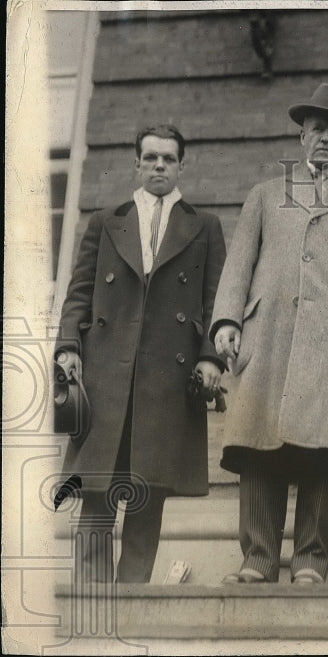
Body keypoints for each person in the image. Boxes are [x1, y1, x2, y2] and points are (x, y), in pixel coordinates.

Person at [211, 83, 328, 584]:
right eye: (317, 129)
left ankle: (311, 560)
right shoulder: (266, 195)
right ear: (302, 136)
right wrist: (229, 321)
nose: (325, 139)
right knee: (259, 449)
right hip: (268, 338)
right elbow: (238, 265)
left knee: (323, 454)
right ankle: (256, 558)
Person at [56, 124, 227, 583]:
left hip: (166, 381)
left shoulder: (204, 227)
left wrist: (211, 356)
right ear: (136, 163)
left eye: (168, 159)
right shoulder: (106, 221)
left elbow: (217, 301)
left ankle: (130, 603)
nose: (158, 166)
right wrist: (68, 347)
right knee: (97, 492)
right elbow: (78, 293)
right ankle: (91, 601)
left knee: (148, 493)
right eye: (150, 158)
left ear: (181, 166)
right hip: (107, 372)